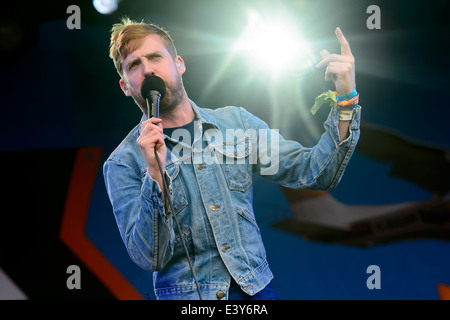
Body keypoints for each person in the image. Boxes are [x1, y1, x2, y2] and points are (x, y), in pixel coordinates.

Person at [103, 17, 360, 300]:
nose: (148, 69)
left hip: (256, 292)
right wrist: (154, 175)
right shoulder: (122, 163)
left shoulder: (236, 123)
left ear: (179, 64)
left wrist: (346, 99)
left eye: (155, 57)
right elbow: (148, 256)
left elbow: (315, 172)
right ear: (125, 86)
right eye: (134, 65)